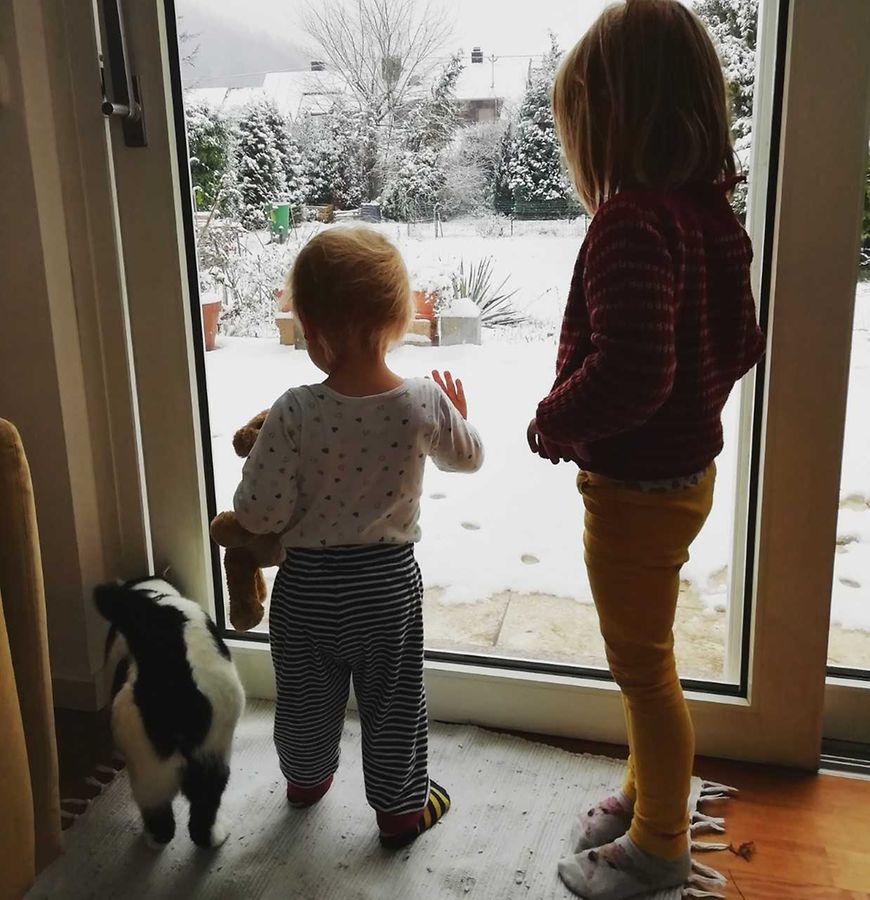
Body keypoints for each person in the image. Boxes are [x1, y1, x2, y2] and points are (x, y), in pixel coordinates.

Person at [527, 2, 765, 897]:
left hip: (634, 491)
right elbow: (742, 342)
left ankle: (660, 844)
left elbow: (631, 371)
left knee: (643, 667)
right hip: (687, 477)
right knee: (648, 655)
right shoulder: (711, 219)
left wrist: (555, 419)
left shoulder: (631, 223)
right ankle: (642, 792)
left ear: (611, 118)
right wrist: (695, 401)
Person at [233, 226, 483, 849]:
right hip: (387, 591)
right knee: (394, 701)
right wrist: (460, 415)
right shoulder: (422, 401)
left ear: (310, 329)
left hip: (307, 592)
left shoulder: (294, 409)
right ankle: (400, 810)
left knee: (303, 696)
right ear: (399, 319)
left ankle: (306, 779)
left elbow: (257, 513)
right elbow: (468, 459)